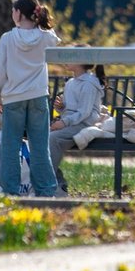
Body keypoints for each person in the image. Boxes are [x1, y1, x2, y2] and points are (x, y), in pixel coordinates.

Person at [0, 0, 61, 197]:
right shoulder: (45, 38)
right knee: (40, 146)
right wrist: (43, 21)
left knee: (11, 146)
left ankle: (9, 190)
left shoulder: (7, 39)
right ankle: (46, 189)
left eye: (13, 10)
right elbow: (55, 39)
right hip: (38, 96)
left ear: (18, 13)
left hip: (14, 98)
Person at [49, 57, 106, 193]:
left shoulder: (89, 84)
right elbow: (70, 110)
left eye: (71, 56)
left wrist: (64, 122)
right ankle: (56, 181)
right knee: (39, 137)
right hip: (71, 123)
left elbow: (84, 112)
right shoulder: (70, 83)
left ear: (81, 61)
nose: (66, 59)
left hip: (84, 124)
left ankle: (50, 183)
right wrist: (62, 108)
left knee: (53, 139)